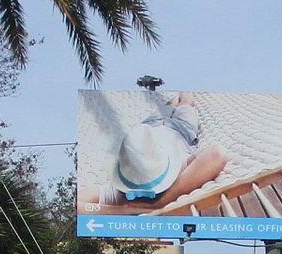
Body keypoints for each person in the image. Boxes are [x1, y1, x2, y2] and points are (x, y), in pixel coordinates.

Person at [84, 91, 229, 214]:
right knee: (186, 103)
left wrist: (126, 210)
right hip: (181, 128)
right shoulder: (178, 171)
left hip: (149, 128)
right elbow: (217, 154)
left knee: (169, 104)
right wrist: (161, 202)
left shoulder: (120, 193)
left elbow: (79, 204)